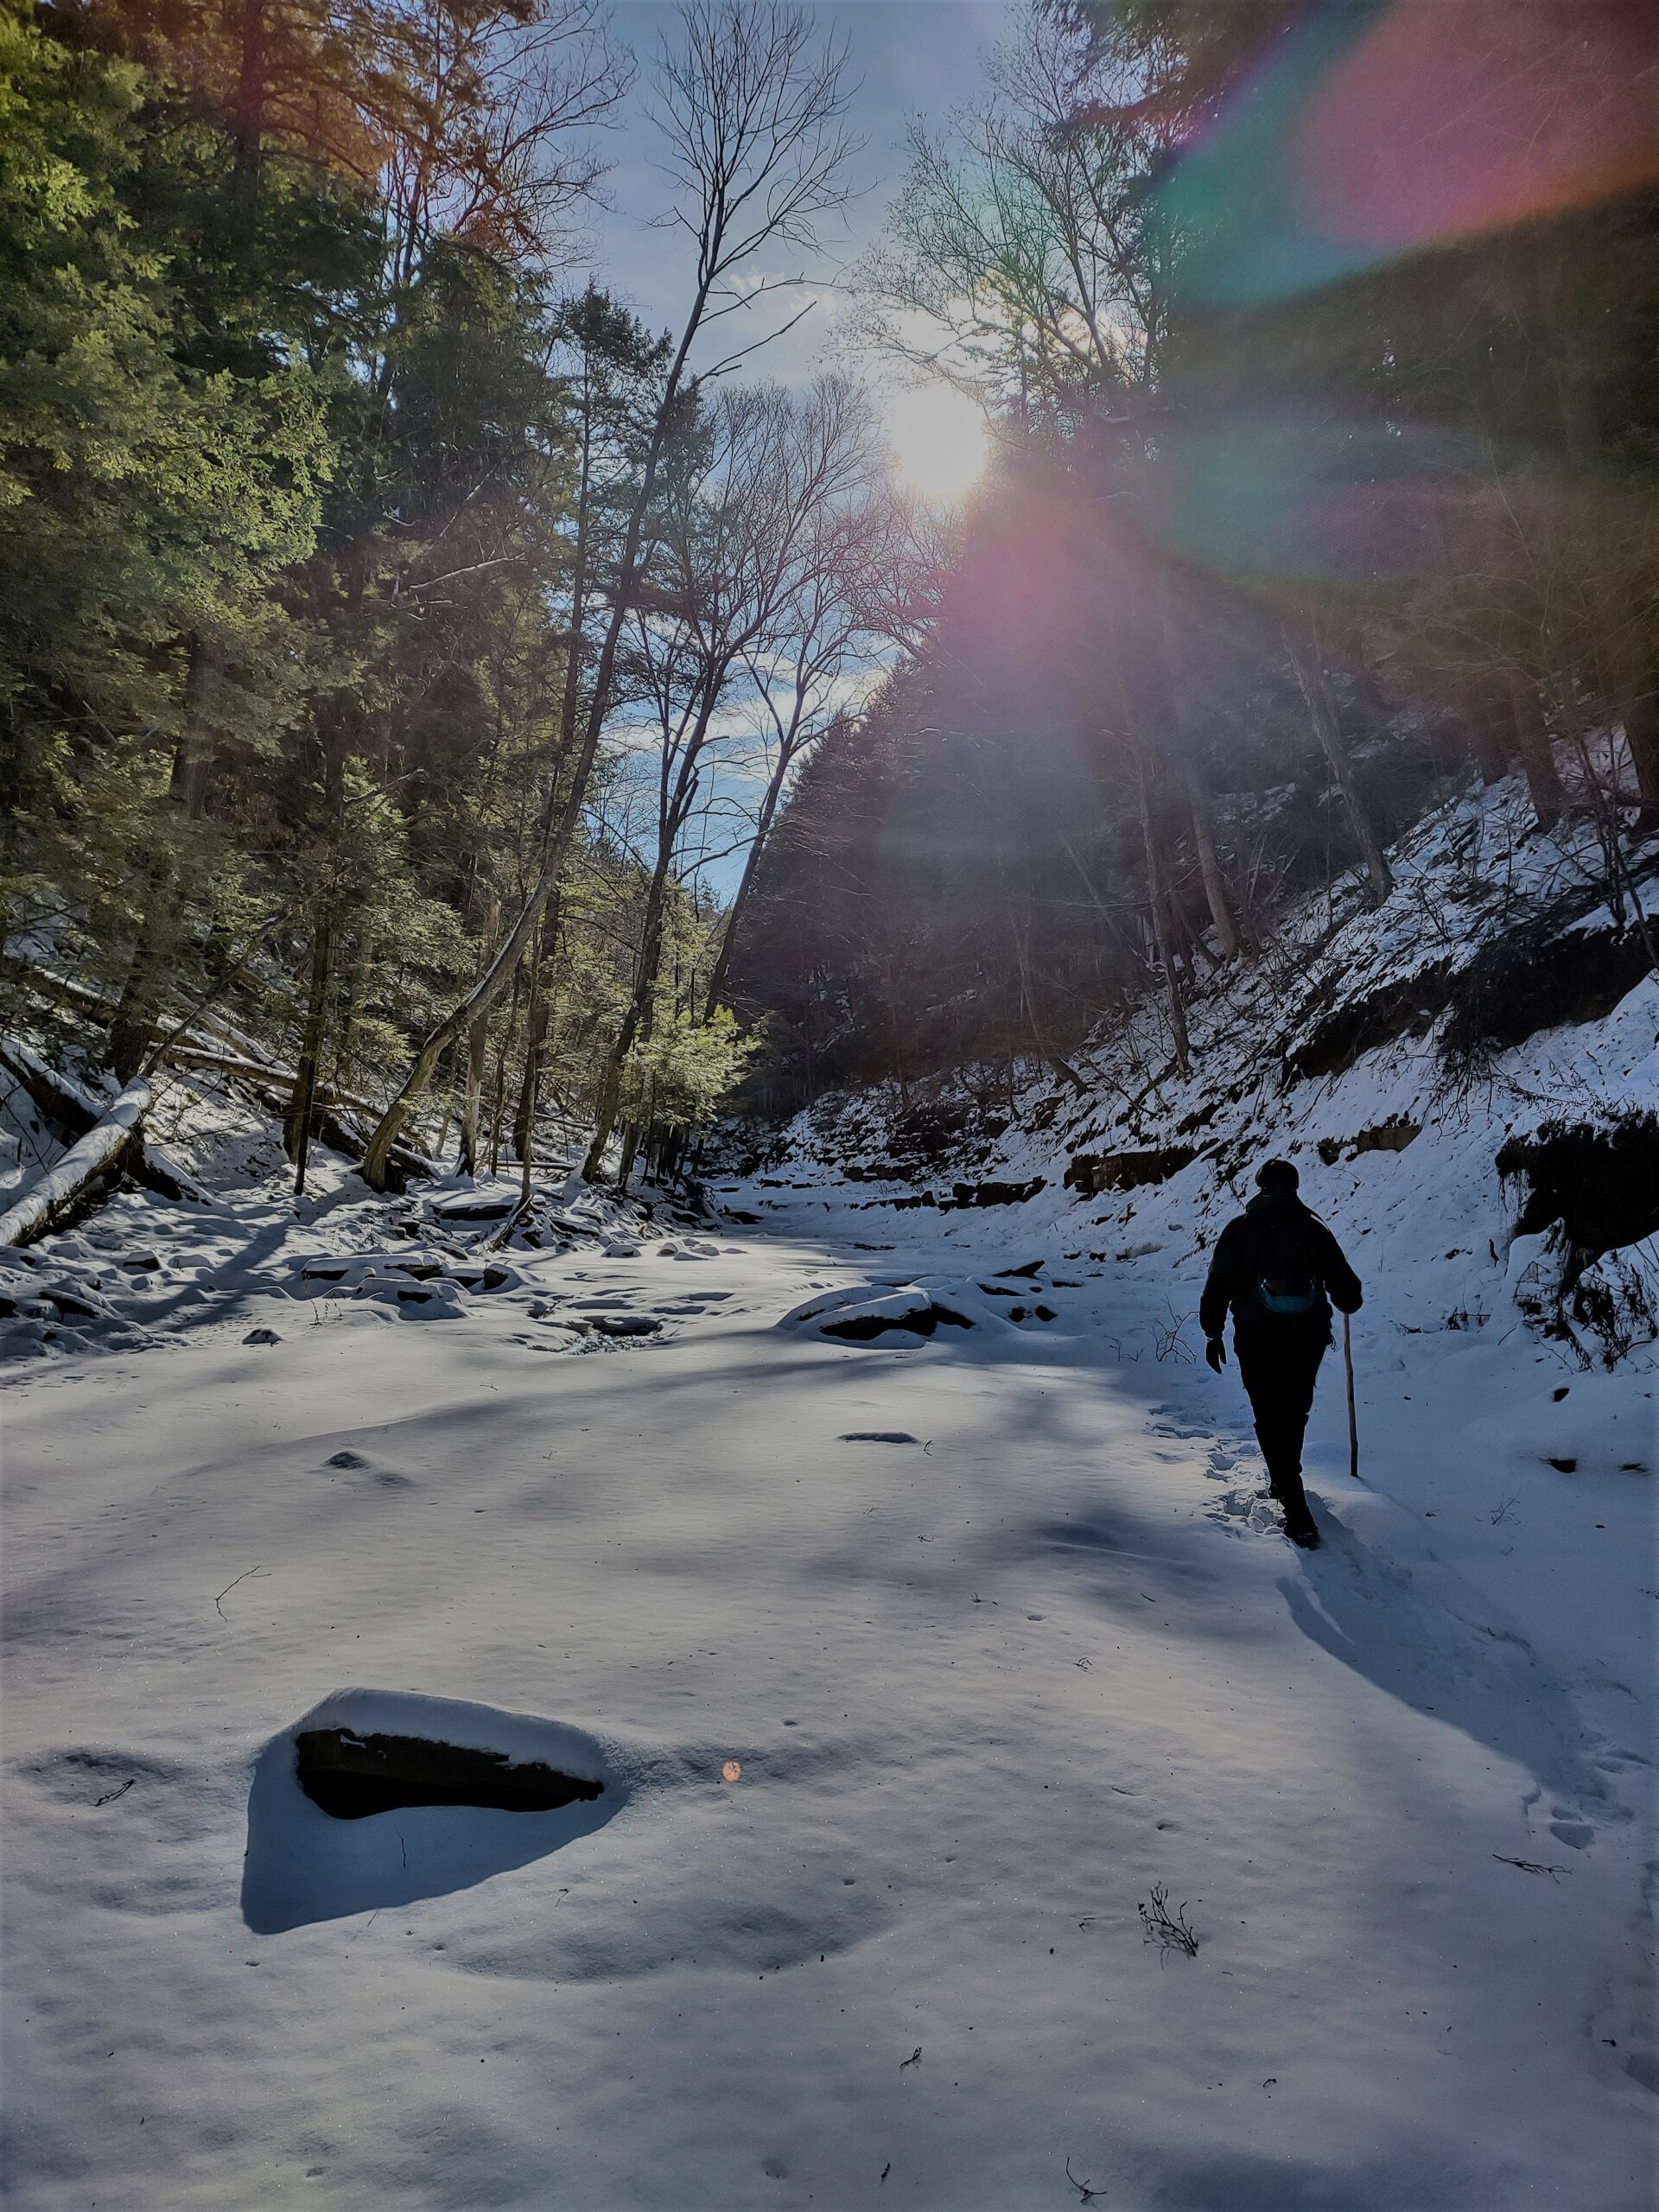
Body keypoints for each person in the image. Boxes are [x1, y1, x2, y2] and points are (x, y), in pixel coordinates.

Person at [1198, 1159, 1362, 1549]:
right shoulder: (1314, 1229)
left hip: (1256, 1336)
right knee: (1294, 1411)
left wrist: (1212, 1332)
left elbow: (1217, 1283)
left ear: (1260, 1187)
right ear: (1294, 1186)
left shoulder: (1239, 1230)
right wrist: (1340, 1296)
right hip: (1306, 1337)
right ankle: (1286, 1479)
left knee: (1268, 1414)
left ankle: (1293, 1499)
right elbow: (1349, 1295)